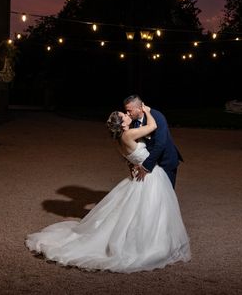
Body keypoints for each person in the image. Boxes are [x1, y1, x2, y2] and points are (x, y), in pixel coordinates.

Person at [25, 107, 191, 272]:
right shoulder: (129, 134)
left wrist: (134, 164)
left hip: (138, 175)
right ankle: (150, 244)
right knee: (150, 210)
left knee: (136, 211)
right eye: (124, 115)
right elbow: (153, 127)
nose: (127, 115)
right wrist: (146, 110)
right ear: (122, 124)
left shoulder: (119, 139)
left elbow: (131, 157)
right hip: (148, 176)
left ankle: (151, 239)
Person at [124, 95, 183, 187]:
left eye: (129, 110)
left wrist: (146, 166)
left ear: (139, 108)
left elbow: (160, 144)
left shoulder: (157, 117)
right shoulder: (134, 121)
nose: (127, 113)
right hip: (152, 163)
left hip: (165, 162)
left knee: (167, 193)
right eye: (126, 110)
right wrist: (132, 163)